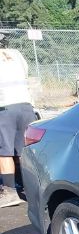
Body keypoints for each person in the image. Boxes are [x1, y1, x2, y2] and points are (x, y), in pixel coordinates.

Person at [0, 34, 37, 208]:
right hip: (26, 105)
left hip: (4, 108)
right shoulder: (16, 54)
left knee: (4, 152)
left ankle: (9, 191)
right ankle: (30, 188)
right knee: (23, 150)